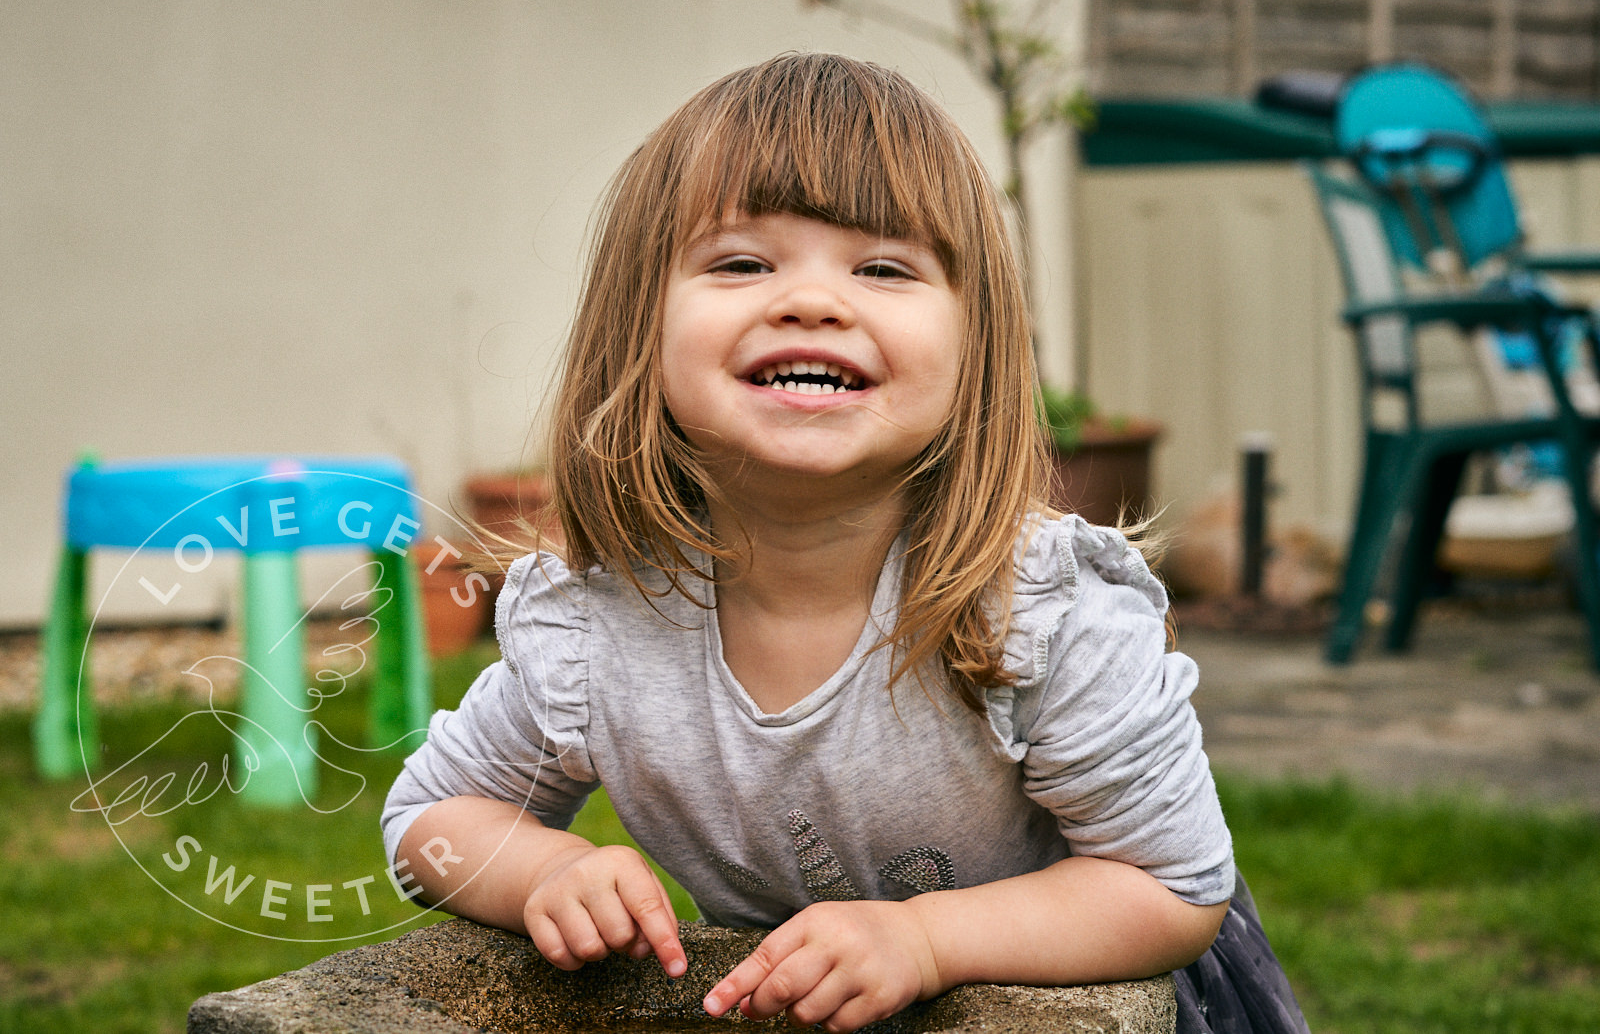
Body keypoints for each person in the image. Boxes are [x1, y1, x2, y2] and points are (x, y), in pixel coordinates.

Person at [382, 52, 1310, 1034]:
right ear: (636, 328)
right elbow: (426, 822)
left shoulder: (1039, 612)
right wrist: (545, 868)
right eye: (742, 263)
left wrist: (927, 939)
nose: (813, 301)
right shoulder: (600, 624)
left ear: (975, 347)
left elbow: (1170, 884)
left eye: (883, 269)